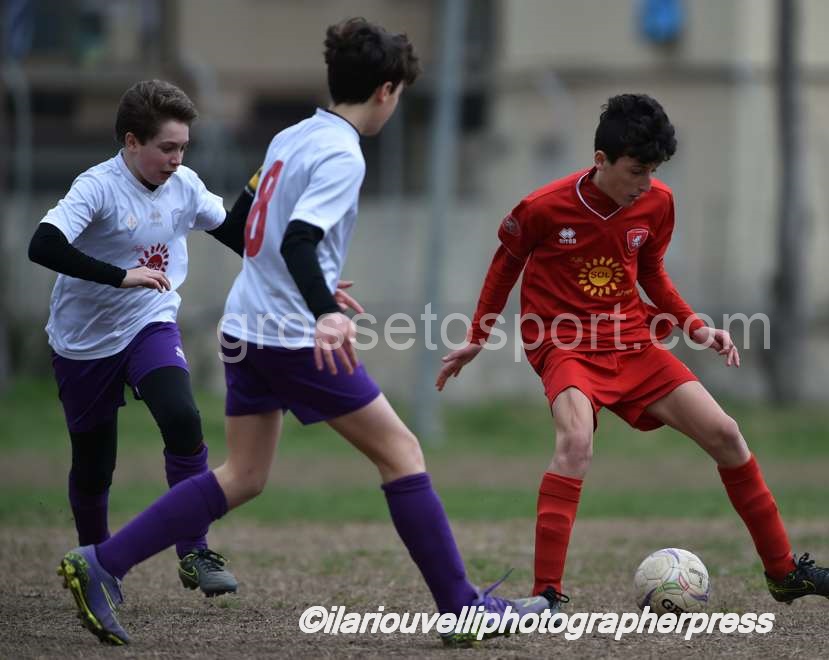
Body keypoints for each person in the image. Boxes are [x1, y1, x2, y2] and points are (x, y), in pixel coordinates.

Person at [56, 18, 549, 647]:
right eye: (398, 94)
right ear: (386, 91)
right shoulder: (343, 153)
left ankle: (102, 563)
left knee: (244, 475)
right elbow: (297, 239)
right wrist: (324, 310)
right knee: (401, 453)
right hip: (291, 338)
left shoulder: (293, 135)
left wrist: (313, 287)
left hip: (246, 326)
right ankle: (461, 607)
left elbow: (247, 222)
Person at [436, 93, 829, 608]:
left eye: (653, 171)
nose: (645, 184)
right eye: (636, 171)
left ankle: (784, 572)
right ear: (601, 161)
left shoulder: (658, 203)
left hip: (632, 341)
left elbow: (651, 272)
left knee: (727, 435)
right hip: (562, 343)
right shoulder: (542, 207)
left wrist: (694, 325)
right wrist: (476, 336)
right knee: (575, 442)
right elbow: (505, 265)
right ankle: (547, 595)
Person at [29, 79, 255, 598]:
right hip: (83, 340)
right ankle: (95, 564)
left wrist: (304, 276)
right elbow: (42, 245)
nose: (177, 159)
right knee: (94, 465)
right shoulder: (97, 187)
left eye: (184, 148)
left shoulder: (185, 185)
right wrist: (120, 276)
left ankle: (194, 550)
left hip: (149, 322)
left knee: (182, 418)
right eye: (167, 148)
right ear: (132, 142)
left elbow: (237, 235)